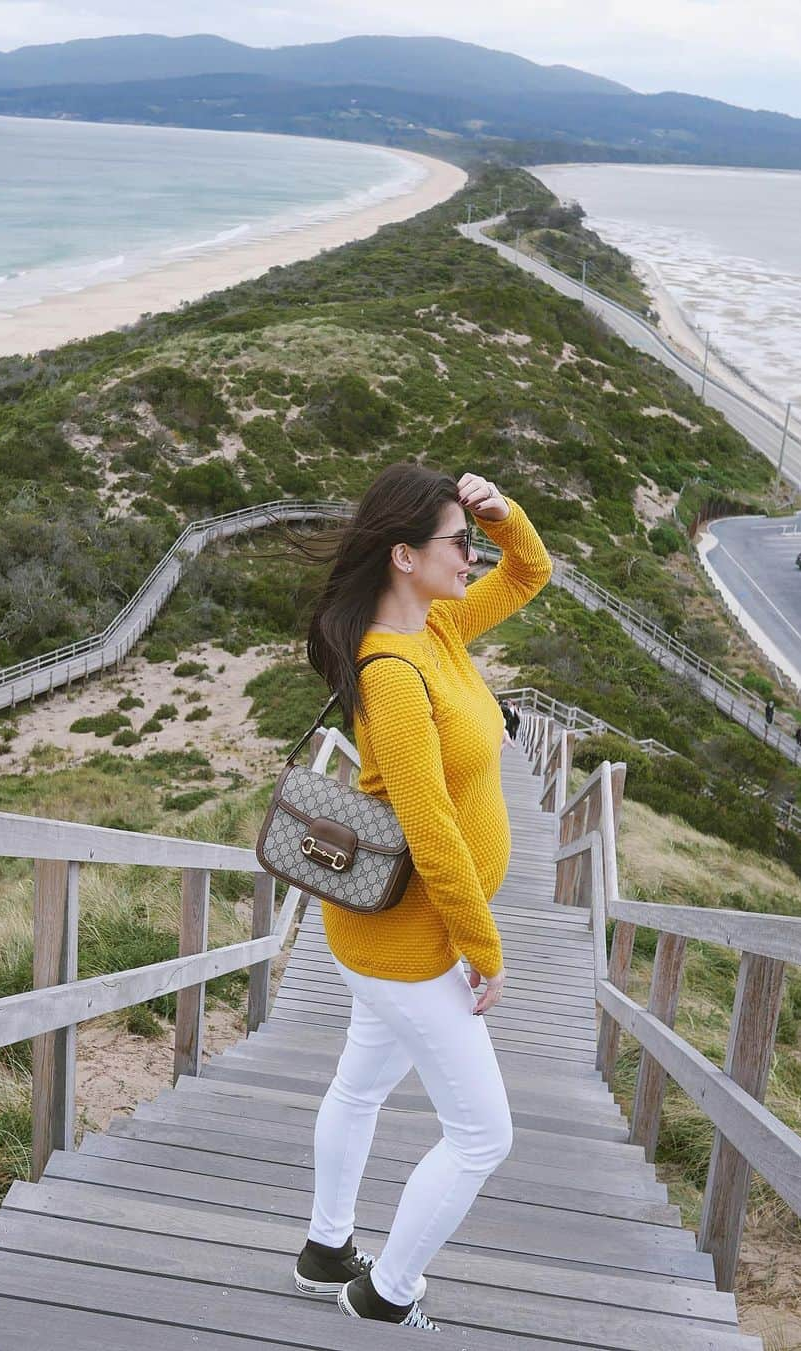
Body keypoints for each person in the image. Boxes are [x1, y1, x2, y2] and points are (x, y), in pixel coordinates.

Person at [288, 463, 552, 1330]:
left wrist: (501, 512)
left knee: (359, 1087)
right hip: (414, 946)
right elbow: (430, 828)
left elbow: (530, 572)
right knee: (485, 1134)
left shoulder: (436, 627)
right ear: (404, 555)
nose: (472, 554)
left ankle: (327, 1246)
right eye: (458, 541)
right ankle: (385, 1290)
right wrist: (485, 947)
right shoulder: (394, 674)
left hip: (385, 941)